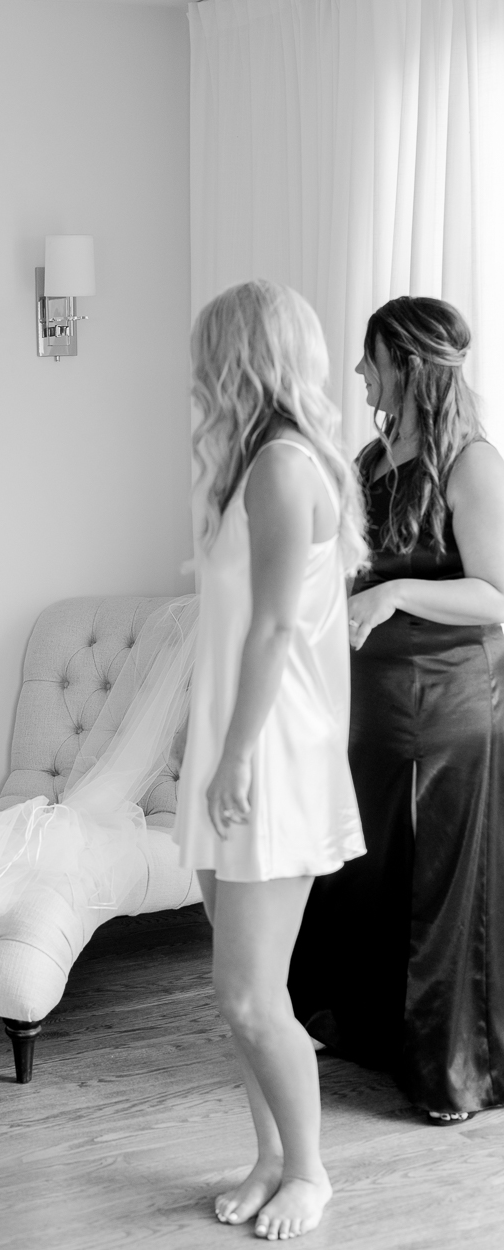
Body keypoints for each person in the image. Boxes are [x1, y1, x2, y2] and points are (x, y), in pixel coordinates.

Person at [173, 280, 368, 1240]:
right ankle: (269, 1159)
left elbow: (277, 632)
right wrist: (206, 744)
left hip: (271, 755)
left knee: (253, 996)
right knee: (236, 995)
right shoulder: (251, 467)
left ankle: (314, 1175)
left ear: (242, 356)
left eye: (210, 353)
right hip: (235, 746)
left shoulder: (286, 469)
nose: (197, 373)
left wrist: (237, 757)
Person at [288, 296, 504, 1123]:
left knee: (441, 881)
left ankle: (453, 1070)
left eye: (369, 358)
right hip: (373, 702)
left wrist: (399, 593)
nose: (358, 371)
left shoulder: (471, 463)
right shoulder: (375, 457)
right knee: (372, 870)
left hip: (452, 702)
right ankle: (377, 1033)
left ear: (407, 365)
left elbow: (495, 593)